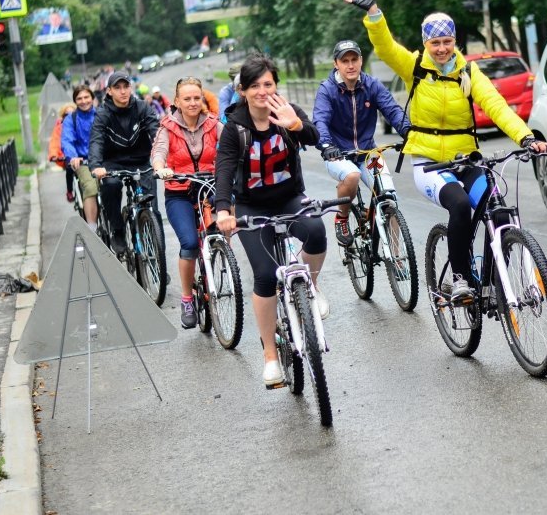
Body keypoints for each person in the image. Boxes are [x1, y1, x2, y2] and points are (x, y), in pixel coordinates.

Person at [341, 0, 547, 300]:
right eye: (435, 42)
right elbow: (384, 47)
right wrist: (373, 11)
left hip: (466, 160)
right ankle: (460, 277)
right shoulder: (415, 67)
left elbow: (495, 106)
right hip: (429, 164)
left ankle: (493, 280)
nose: (442, 48)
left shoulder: (469, 73)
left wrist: (526, 137)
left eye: (447, 41)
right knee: (460, 204)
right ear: (426, 42)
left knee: (500, 210)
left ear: (455, 41)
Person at [214, 54, 328, 387]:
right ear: (244, 91)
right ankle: (269, 357)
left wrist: (295, 125)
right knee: (265, 275)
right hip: (251, 208)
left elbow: (314, 138)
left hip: (291, 197)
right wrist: (223, 209)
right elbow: (223, 170)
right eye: (255, 86)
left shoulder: (287, 112)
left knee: (317, 232)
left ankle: (314, 286)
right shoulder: (235, 128)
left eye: (269, 84)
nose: (263, 91)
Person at [312, 39, 410, 246]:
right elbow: (320, 120)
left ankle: (397, 256)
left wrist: (409, 131)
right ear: (335, 64)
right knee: (352, 174)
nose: (350, 65)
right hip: (338, 154)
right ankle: (343, 218)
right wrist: (328, 146)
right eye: (344, 60)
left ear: (361, 60)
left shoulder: (372, 85)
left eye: (354, 59)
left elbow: (392, 110)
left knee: (389, 199)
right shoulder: (327, 90)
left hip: (368, 153)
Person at [151, 77, 223, 329]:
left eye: (196, 98)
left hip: (208, 189)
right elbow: (159, 152)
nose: (193, 103)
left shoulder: (214, 124)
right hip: (179, 192)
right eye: (187, 99)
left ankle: (220, 262)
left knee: (221, 228)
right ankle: (186, 298)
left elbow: (229, 150)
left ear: (202, 99)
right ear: (177, 101)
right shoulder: (167, 127)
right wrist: (161, 168)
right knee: (190, 244)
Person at [89, 71, 161, 255]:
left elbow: (157, 133)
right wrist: (96, 165)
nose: (123, 91)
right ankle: (118, 229)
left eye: (126, 86)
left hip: (141, 161)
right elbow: (96, 139)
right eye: (117, 88)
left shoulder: (142, 107)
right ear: (110, 91)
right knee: (110, 186)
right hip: (113, 163)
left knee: (152, 208)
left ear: (131, 87)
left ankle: (158, 257)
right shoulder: (103, 113)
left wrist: (161, 158)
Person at [60, 86, 100, 230]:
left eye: (86, 97)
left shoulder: (101, 115)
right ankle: (92, 229)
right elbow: (67, 140)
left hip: (103, 160)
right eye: (79, 98)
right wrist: (73, 157)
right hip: (83, 161)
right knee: (89, 187)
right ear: (75, 101)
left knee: (112, 185)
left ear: (92, 98)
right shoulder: (71, 119)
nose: (83, 101)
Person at [48, 102, 77, 202]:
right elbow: (55, 142)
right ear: (62, 116)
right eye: (66, 114)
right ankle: (69, 191)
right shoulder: (59, 128)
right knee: (69, 168)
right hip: (66, 156)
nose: (69, 117)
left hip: (82, 156)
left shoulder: (80, 124)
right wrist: (54, 155)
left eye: (72, 114)